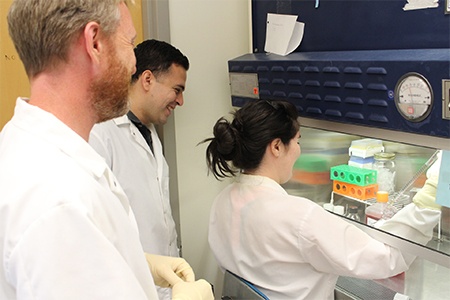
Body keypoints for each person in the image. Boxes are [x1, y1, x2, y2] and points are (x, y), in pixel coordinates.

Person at [0, 1, 213, 299]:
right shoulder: (57, 200)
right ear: (95, 43)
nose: (134, 65)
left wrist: (137, 262)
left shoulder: (31, 146)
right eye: (130, 43)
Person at [202, 99, 441, 300]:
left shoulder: (222, 201)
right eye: (297, 141)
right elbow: (387, 257)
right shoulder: (298, 217)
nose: (298, 149)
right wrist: (430, 198)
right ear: (276, 147)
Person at [89, 39, 189, 300]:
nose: (180, 101)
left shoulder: (150, 133)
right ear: (147, 80)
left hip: (164, 284)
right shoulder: (101, 133)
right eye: (177, 90)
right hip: (127, 286)